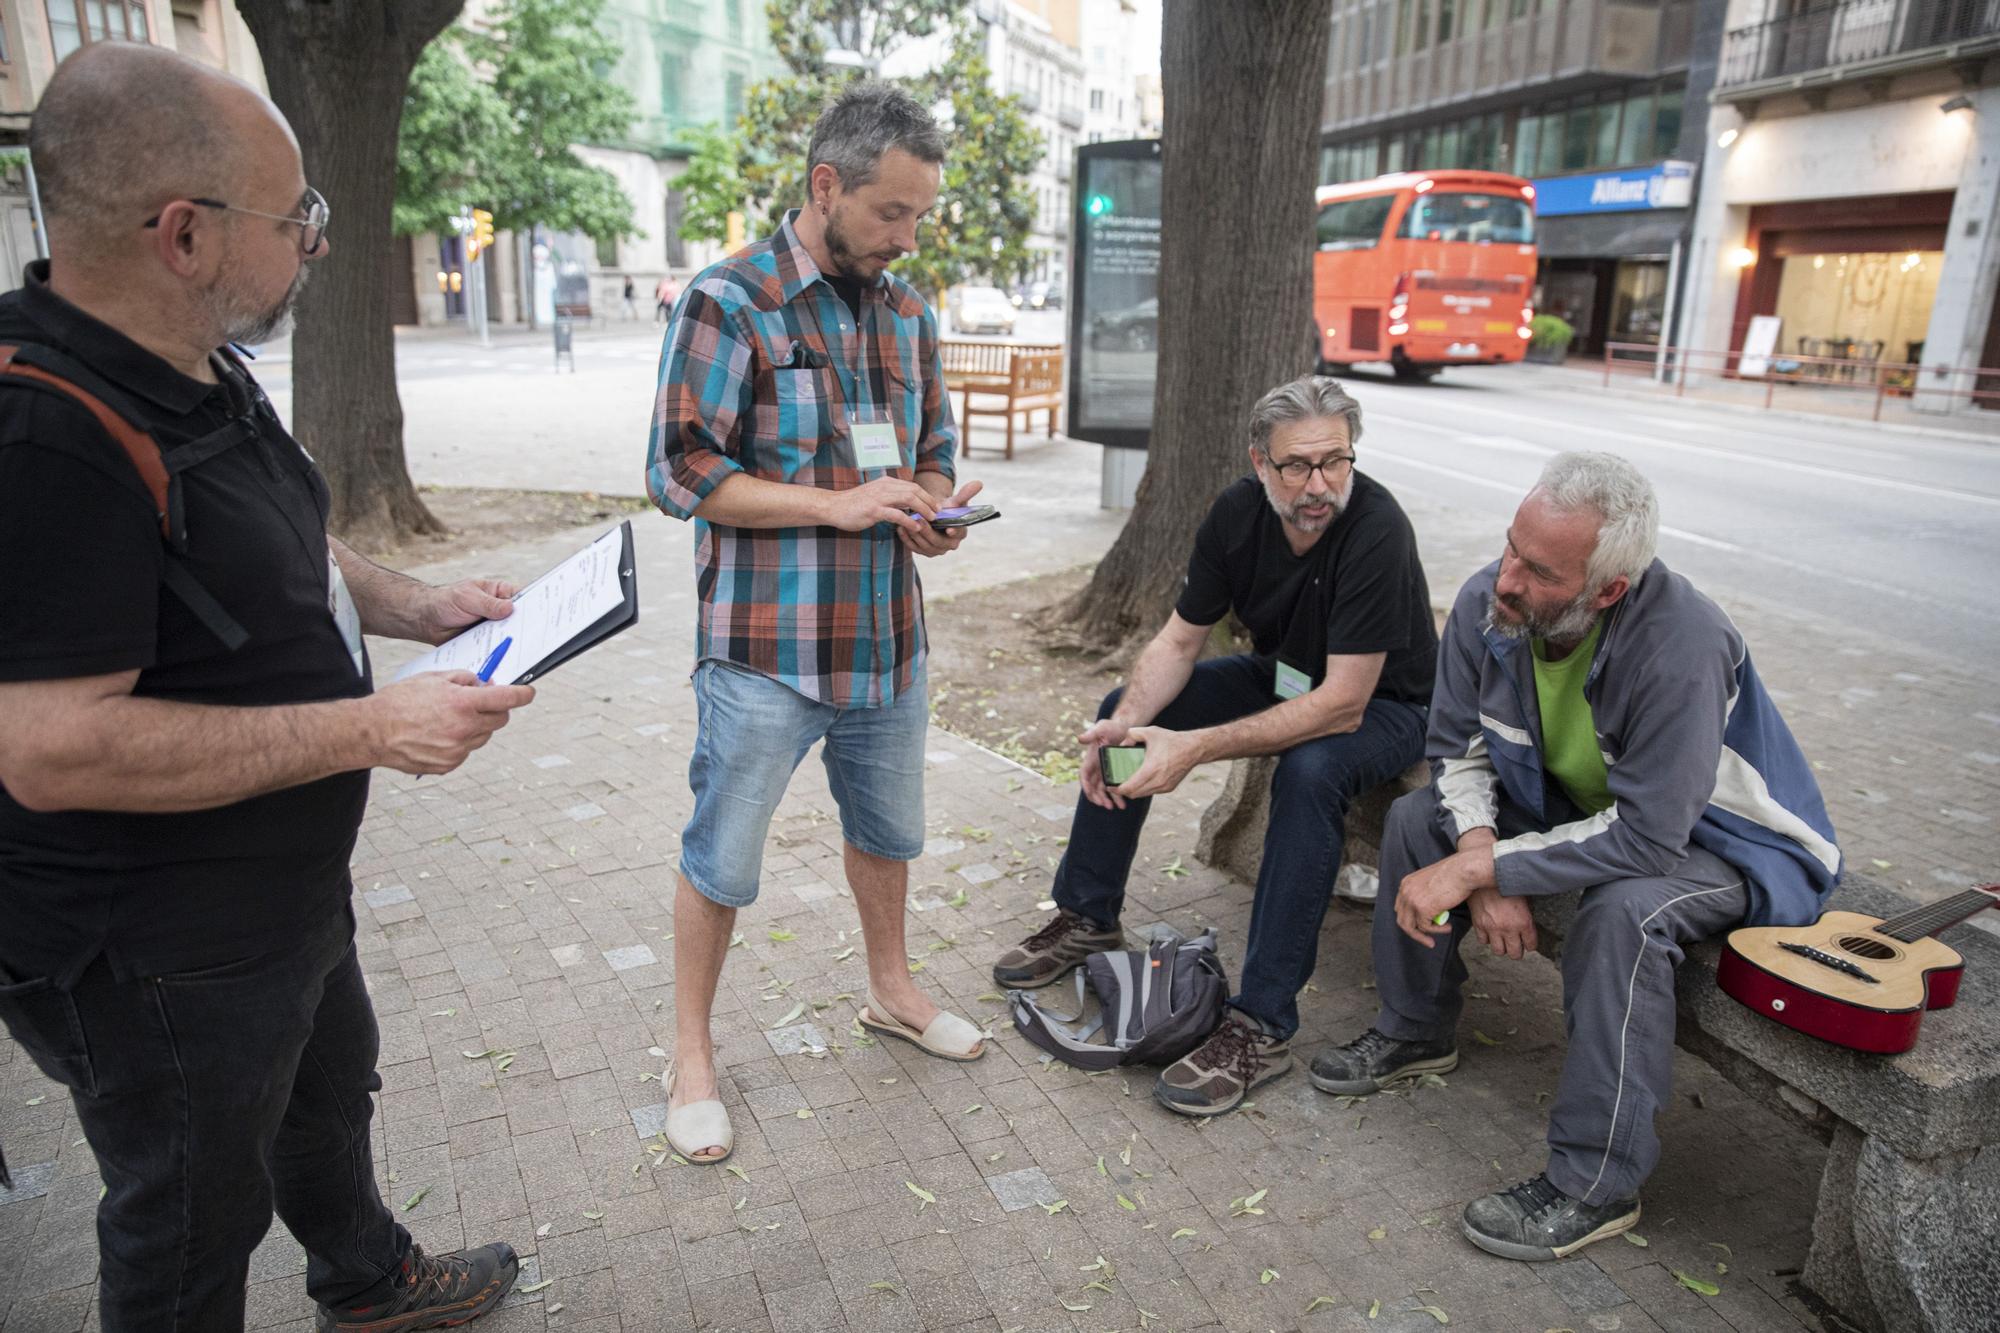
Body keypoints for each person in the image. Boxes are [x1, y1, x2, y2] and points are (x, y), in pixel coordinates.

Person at [0, 45, 534, 1332]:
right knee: (189, 1212)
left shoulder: (191, 356)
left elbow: (283, 544)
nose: (317, 243)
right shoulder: (47, 438)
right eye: (296, 217)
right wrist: (370, 726)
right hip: (153, 951)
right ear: (184, 234)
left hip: (272, 893)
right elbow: (49, 748)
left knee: (326, 1089)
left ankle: (365, 1279)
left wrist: (419, 609)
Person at [1314, 452, 1840, 1263]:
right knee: (1422, 817)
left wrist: (1486, 870)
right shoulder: (1497, 599)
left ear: (1608, 590)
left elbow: (1649, 839)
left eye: (1539, 569)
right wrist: (1480, 852)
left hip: (1728, 842)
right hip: (1582, 801)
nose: (1507, 579)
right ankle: (1415, 1029)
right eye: (1511, 546)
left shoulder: (1682, 645)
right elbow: (1452, 747)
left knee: (1625, 912)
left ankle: (1596, 1181)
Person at [644, 83, 986, 1164]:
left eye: (921, 216)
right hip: (763, 653)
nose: (906, 236)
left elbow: (929, 449)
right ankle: (690, 1052)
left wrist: (931, 509)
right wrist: (834, 504)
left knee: (888, 837)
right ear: (825, 186)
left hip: (888, 641)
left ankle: (890, 989)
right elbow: (678, 468)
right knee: (722, 857)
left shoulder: (909, 310)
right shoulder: (728, 301)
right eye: (891, 213)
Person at [992, 375, 1438, 1117]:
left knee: (1310, 771)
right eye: (1297, 465)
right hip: (1290, 674)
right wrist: (1127, 725)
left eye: (1336, 460)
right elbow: (1178, 639)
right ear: (1261, 461)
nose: (1319, 482)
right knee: (1121, 711)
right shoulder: (1237, 512)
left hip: (1388, 703)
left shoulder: (1377, 529)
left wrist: (1191, 747)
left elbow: (1343, 703)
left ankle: (1261, 1024)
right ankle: (1089, 913)